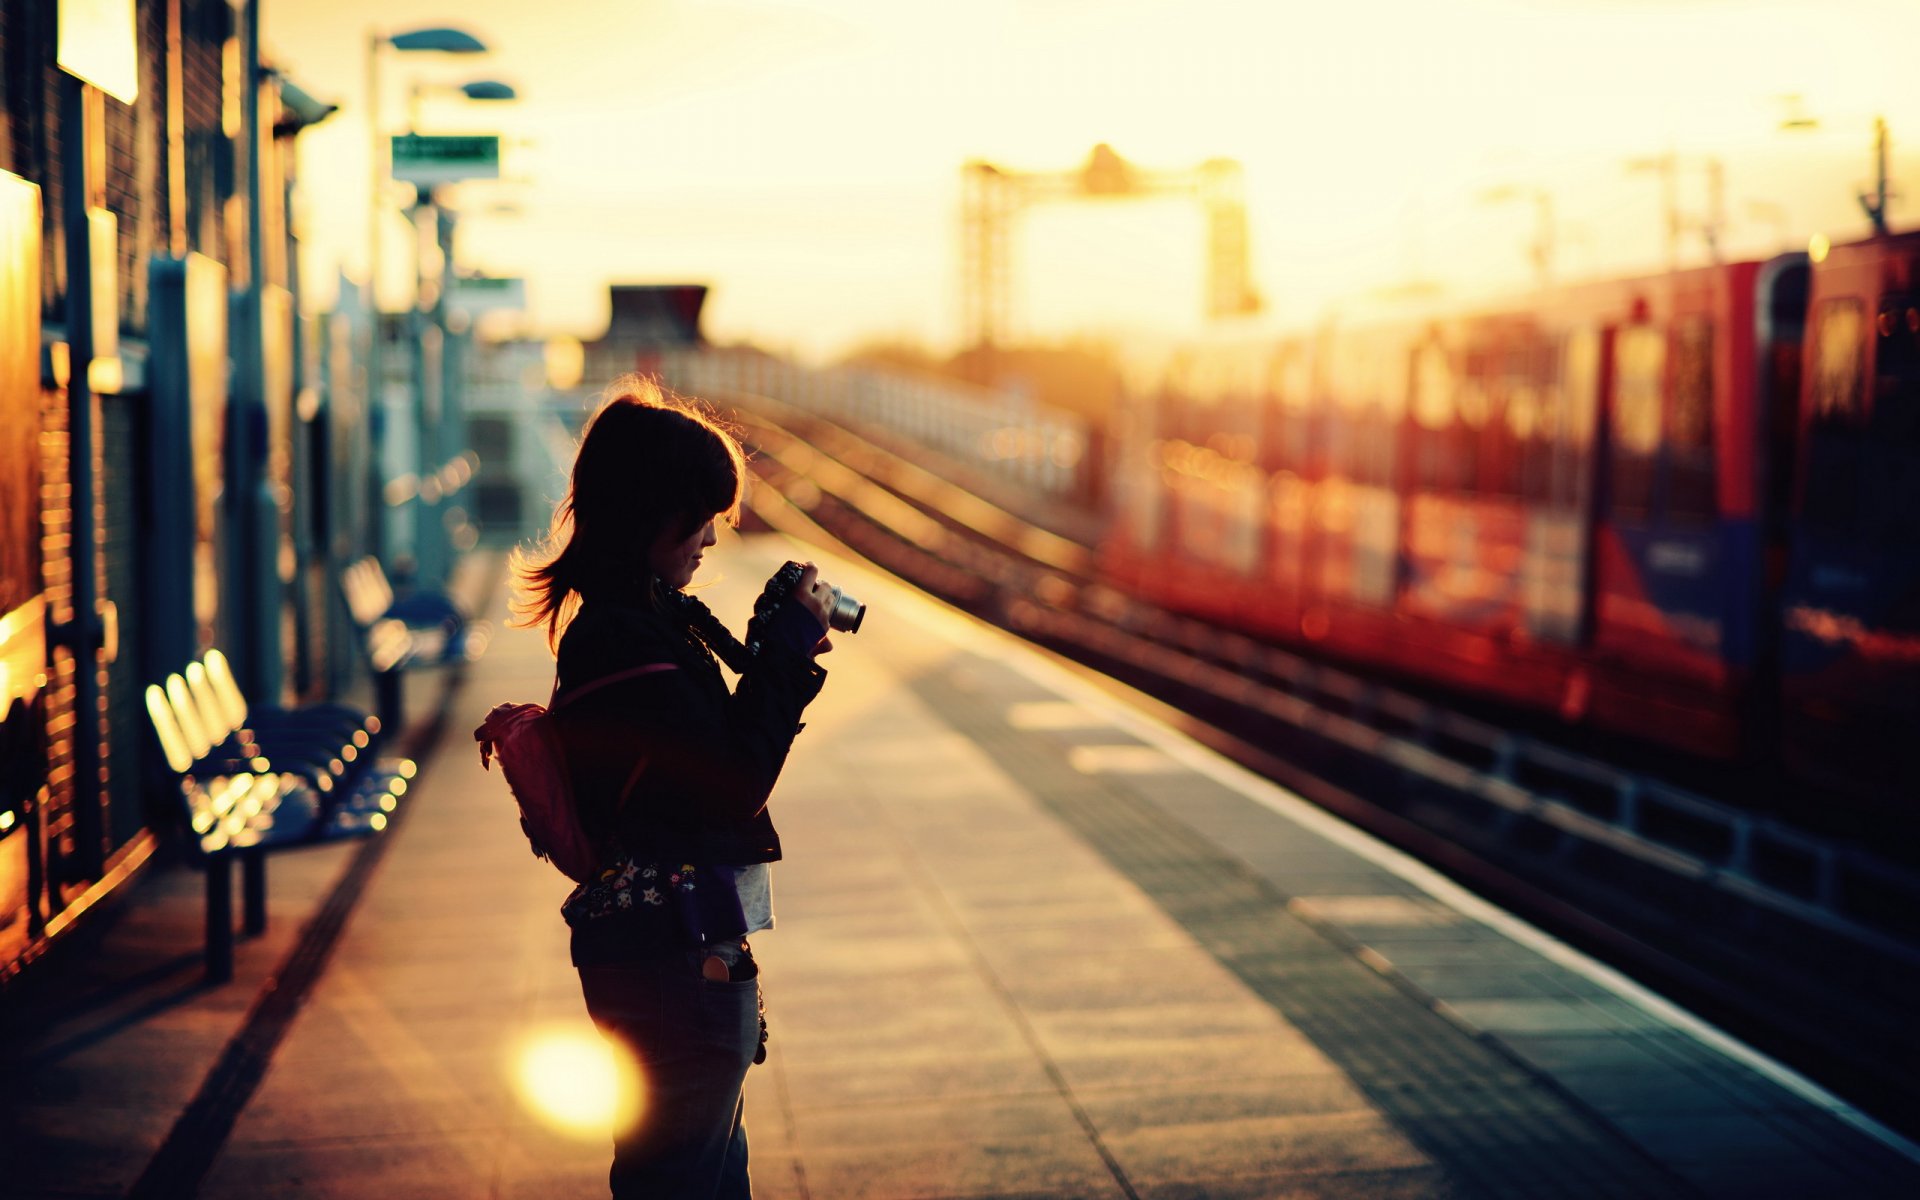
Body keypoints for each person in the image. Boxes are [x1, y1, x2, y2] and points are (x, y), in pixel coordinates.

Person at [509, 378, 836, 1198]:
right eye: (700, 518)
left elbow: (702, 760)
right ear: (648, 515)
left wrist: (766, 656)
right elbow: (730, 784)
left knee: (701, 1179)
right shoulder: (625, 638)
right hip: (675, 967)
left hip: (676, 959)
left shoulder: (634, 621)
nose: (710, 542)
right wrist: (786, 662)